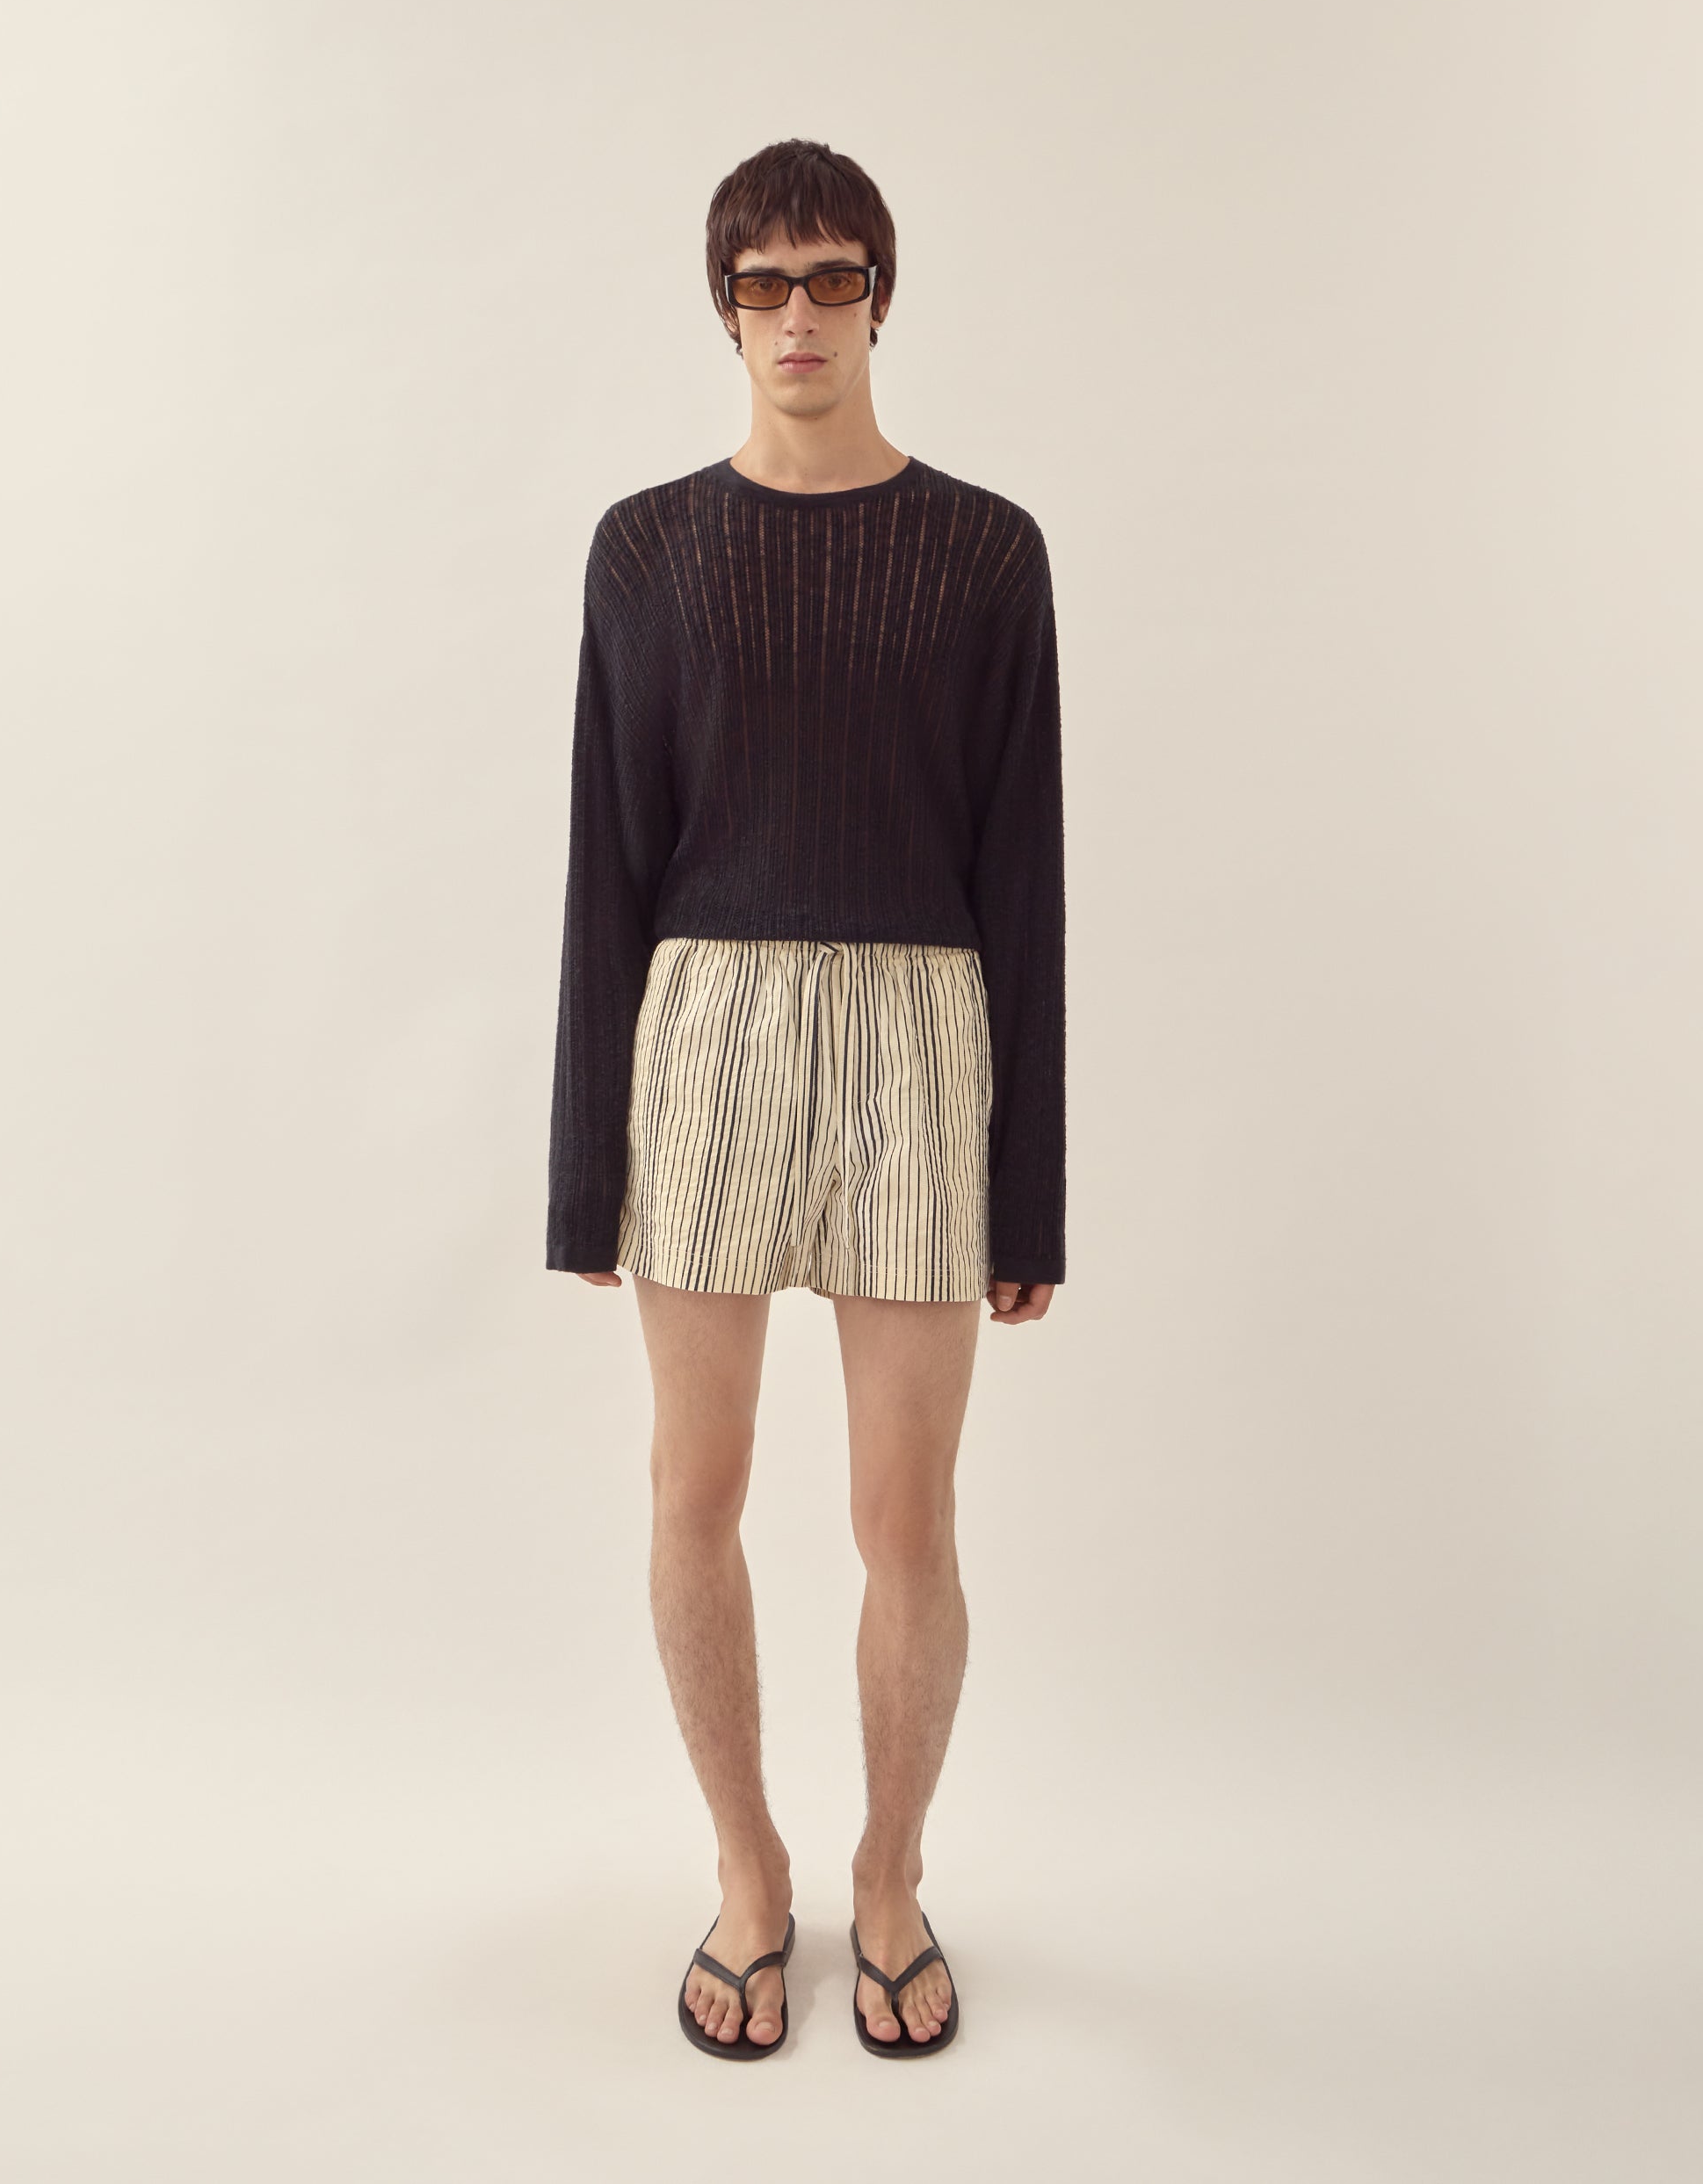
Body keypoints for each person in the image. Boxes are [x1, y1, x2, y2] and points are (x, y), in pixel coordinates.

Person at [547, 137, 1067, 2059]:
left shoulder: (988, 552)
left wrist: (1032, 1193)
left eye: (830, 278)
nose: (796, 315)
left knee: (903, 1514)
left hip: (922, 1037)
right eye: (761, 284)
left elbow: (1025, 875)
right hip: (703, 1032)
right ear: (724, 308)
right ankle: (750, 1873)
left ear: (879, 296)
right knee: (694, 1488)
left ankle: (892, 1877)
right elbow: (607, 861)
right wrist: (579, 1169)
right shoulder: (645, 549)